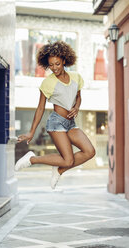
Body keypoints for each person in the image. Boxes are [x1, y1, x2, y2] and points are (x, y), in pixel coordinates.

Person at [15, 41, 95, 189]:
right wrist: (31, 132)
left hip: (71, 123)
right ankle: (32, 159)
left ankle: (59, 169)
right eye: (51, 65)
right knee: (68, 159)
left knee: (90, 151)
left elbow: (78, 97)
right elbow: (40, 108)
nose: (54, 68)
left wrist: (77, 108)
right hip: (56, 123)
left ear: (64, 61)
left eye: (57, 64)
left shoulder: (76, 77)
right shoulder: (47, 83)